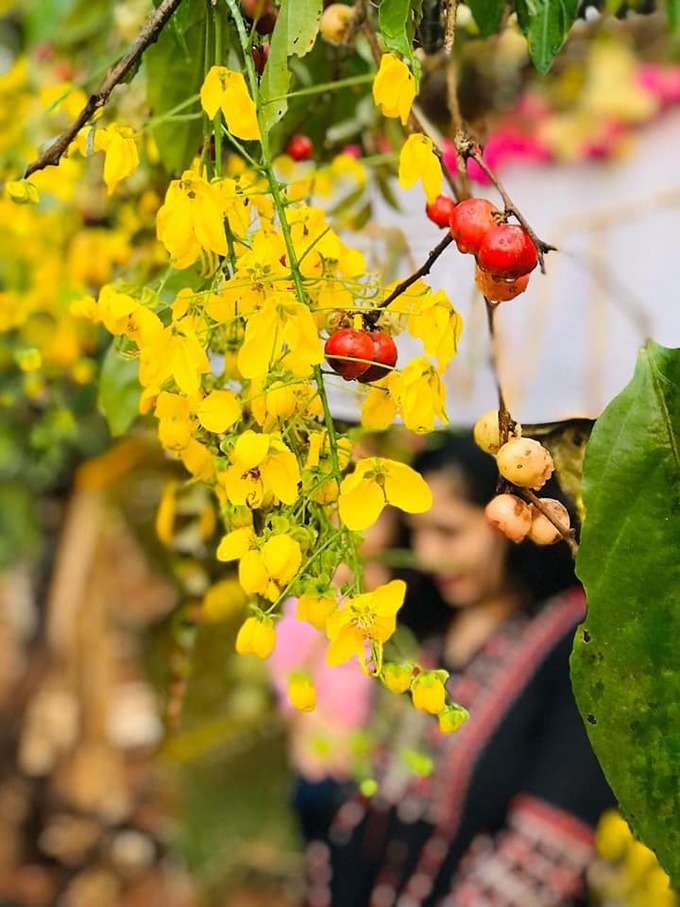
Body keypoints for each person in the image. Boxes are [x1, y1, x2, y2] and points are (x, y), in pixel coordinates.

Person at [300, 431, 614, 907]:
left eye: (449, 532)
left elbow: (546, 850)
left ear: (519, 515)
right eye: (417, 531)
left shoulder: (577, 646)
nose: (427, 555)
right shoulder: (424, 627)